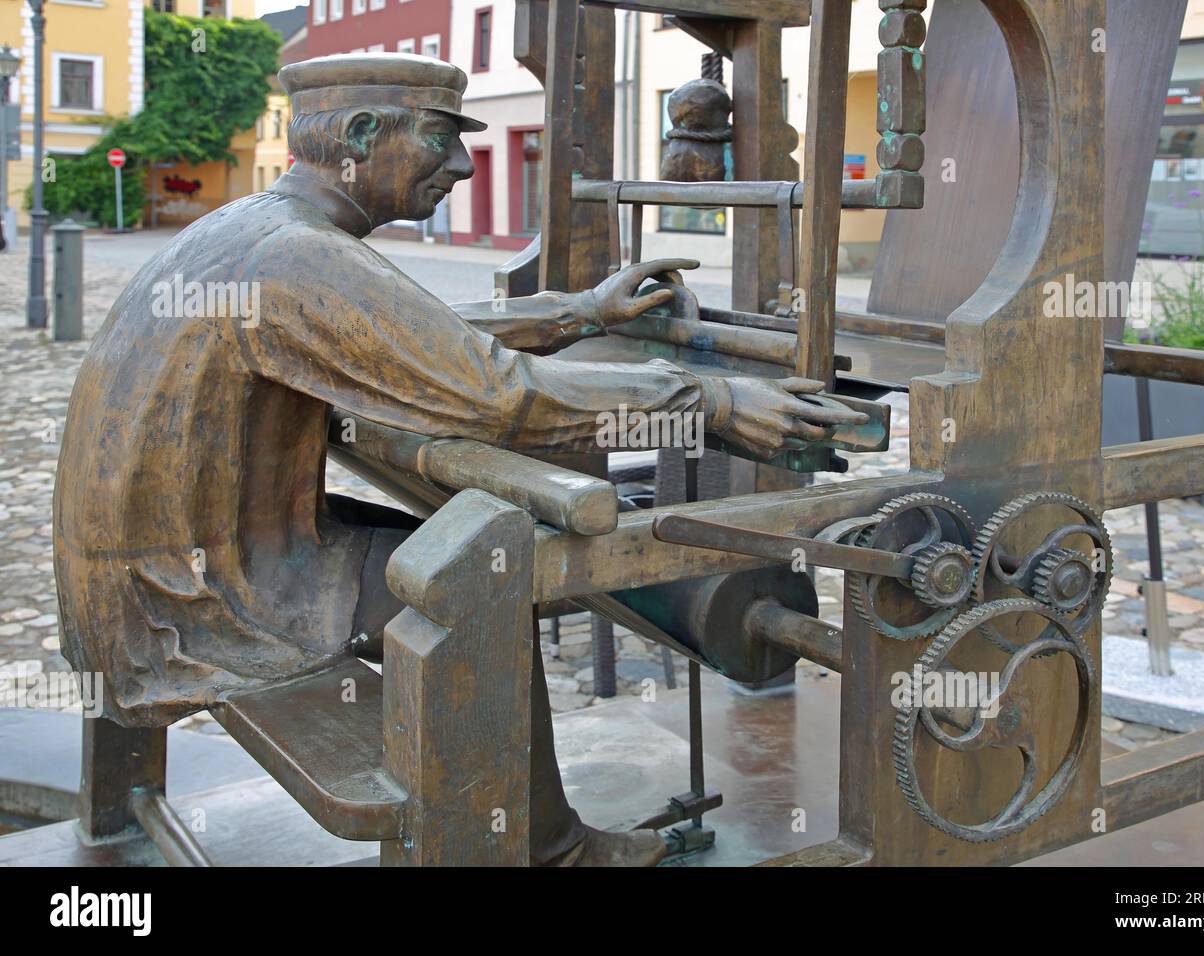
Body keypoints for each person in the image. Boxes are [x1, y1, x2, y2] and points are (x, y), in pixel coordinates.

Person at [53, 53, 864, 866]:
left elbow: (408, 332)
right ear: (362, 137)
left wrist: (578, 312)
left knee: (435, 560)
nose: (461, 166)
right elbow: (495, 397)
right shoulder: (298, 256)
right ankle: (554, 853)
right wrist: (714, 402)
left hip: (154, 579)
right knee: (481, 594)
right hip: (192, 604)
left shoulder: (257, 229)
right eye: (440, 139)